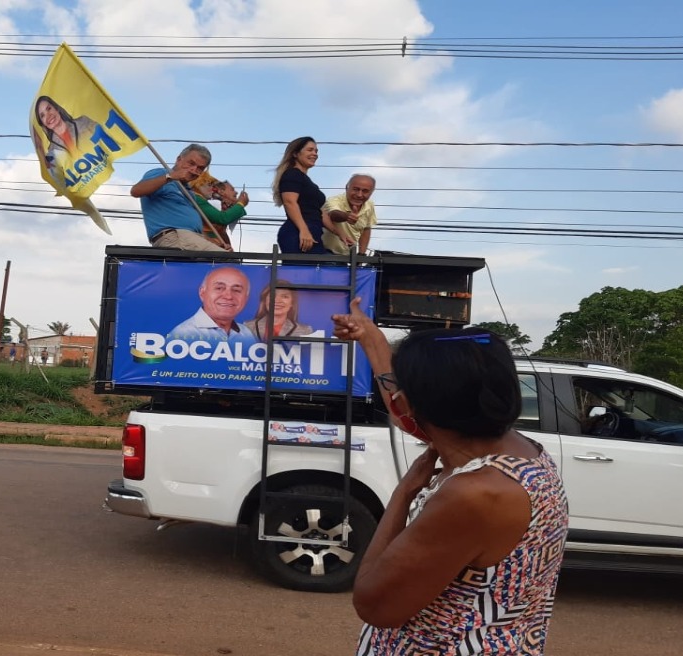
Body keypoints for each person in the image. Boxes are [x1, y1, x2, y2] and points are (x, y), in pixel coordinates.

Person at [331, 300, 569, 655]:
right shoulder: (515, 450)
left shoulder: (474, 494)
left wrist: (404, 492)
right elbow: (406, 413)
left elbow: (373, 605)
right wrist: (370, 338)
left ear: (413, 402)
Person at [130, 144, 226, 251]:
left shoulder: (189, 191)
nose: (194, 170)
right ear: (179, 159)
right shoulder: (162, 174)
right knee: (227, 261)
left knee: (226, 259)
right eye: (191, 163)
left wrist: (209, 241)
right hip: (175, 237)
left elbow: (189, 226)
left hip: (188, 238)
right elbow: (136, 191)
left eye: (200, 168)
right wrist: (170, 177)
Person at [272, 136, 351, 254]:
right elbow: (290, 202)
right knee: (303, 271)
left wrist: (339, 233)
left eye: (316, 151)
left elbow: (319, 212)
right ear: (295, 154)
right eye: (310, 150)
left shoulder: (307, 182)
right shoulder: (292, 174)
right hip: (298, 234)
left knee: (329, 265)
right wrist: (304, 230)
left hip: (313, 233)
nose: (315, 154)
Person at [169, 266, 255, 341]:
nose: (228, 296)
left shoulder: (246, 334)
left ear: (246, 298)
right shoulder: (183, 334)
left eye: (236, 290)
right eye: (219, 288)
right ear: (202, 293)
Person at [33, 96, 100, 170]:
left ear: (56, 109)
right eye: (42, 115)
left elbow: (105, 138)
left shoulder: (84, 123)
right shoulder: (52, 153)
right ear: (43, 124)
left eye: (49, 108)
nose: (48, 115)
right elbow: (59, 178)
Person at [190, 171, 250, 251]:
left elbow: (222, 232)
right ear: (199, 184)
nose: (213, 188)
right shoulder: (201, 200)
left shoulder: (203, 200)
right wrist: (241, 204)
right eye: (209, 185)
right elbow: (222, 218)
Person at [322, 174, 379, 255]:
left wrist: (361, 254)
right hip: (324, 252)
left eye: (365, 191)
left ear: (371, 193)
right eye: (356, 189)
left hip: (347, 256)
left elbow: (366, 229)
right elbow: (333, 214)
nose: (359, 195)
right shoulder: (334, 201)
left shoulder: (369, 206)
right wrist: (346, 216)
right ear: (346, 188)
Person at [243, 285, 313, 340]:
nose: (277, 301)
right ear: (265, 300)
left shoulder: (305, 331)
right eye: (273, 295)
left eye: (285, 296)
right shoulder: (247, 327)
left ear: (292, 303)